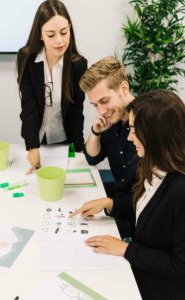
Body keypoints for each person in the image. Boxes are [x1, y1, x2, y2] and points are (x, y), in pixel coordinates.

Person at [71, 90, 185, 299]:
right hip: (139, 267)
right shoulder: (152, 165)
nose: (130, 137)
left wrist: (126, 249)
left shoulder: (180, 189)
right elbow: (148, 219)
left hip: (157, 287)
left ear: (156, 133)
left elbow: (180, 265)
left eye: (134, 130)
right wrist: (111, 204)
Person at [17, 0, 87, 174]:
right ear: (40, 34)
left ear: (70, 28)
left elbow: (77, 111)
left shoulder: (78, 64)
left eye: (64, 32)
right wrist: (32, 147)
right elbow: (28, 105)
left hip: (65, 140)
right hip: (36, 138)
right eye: (50, 34)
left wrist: (79, 150)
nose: (59, 41)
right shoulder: (27, 58)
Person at [79, 56, 138, 238]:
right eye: (95, 105)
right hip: (117, 195)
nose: (101, 111)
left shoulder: (148, 123)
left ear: (123, 88)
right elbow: (92, 157)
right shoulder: (111, 120)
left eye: (104, 101)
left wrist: (109, 204)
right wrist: (96, 132)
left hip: (136, 213)